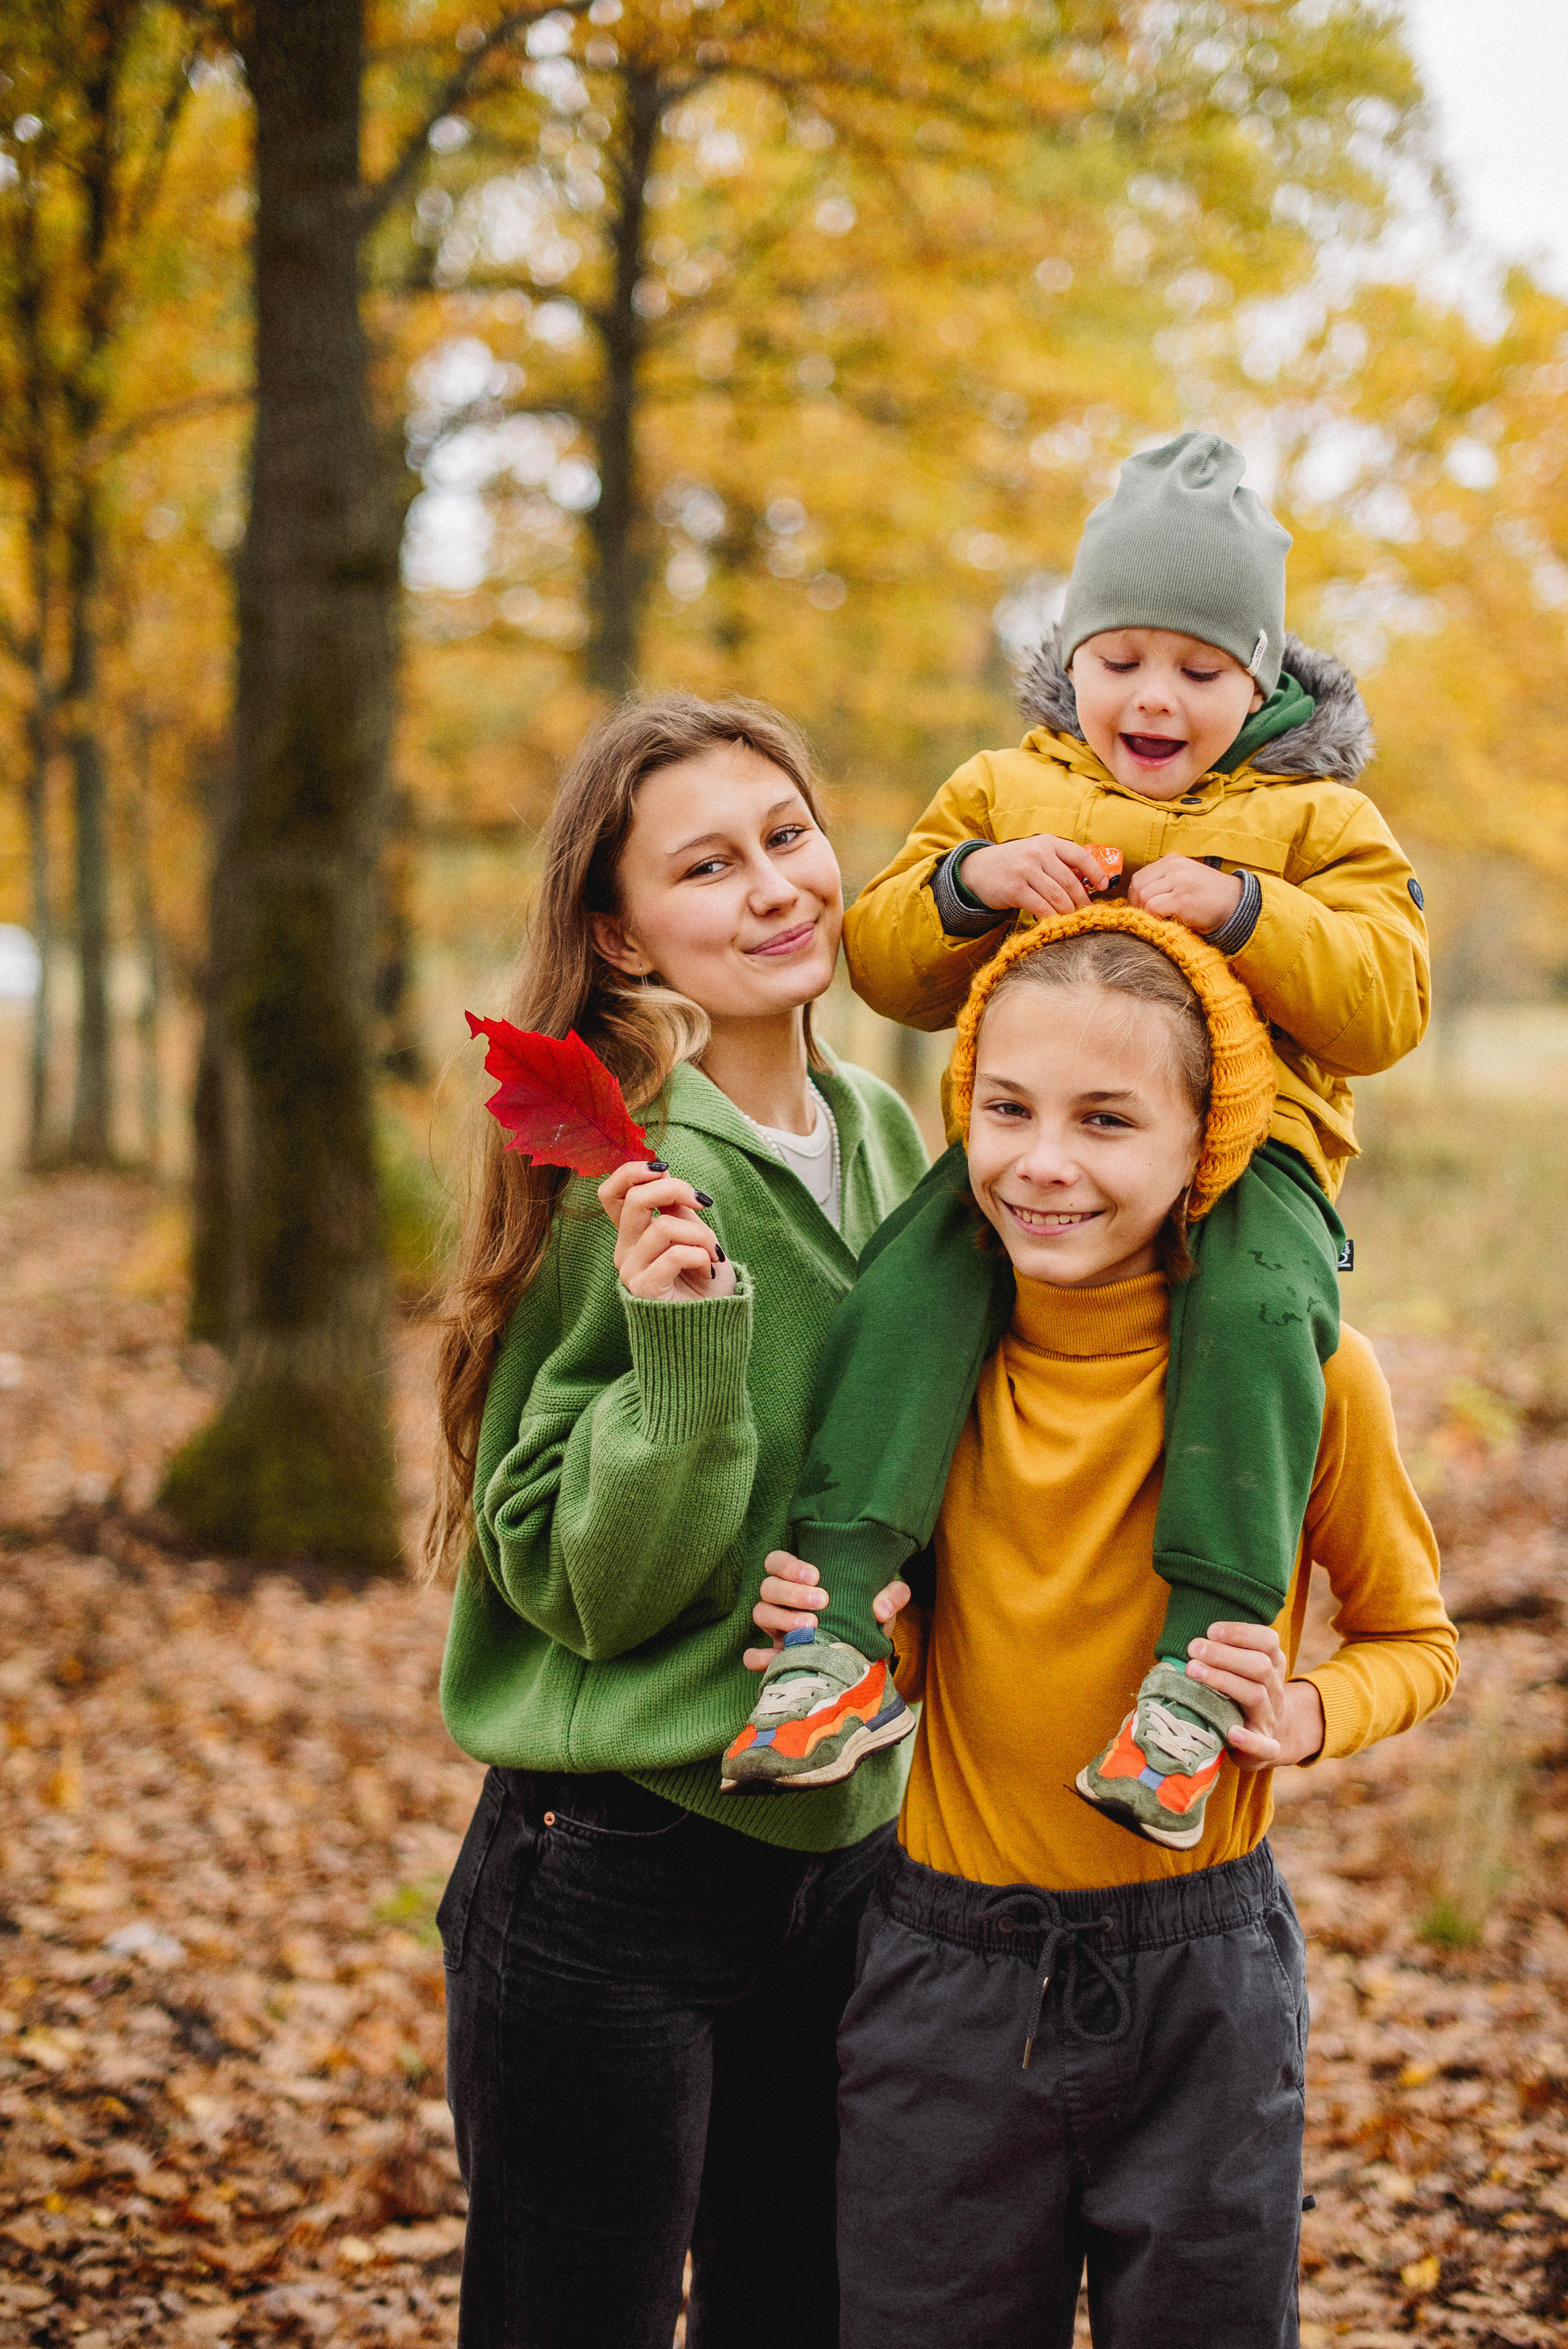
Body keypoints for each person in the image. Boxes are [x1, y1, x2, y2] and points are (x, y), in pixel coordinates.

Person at [723, 430, 1431, 1845]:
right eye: (1118, 660)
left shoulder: (1310, 819)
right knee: (909, 1288)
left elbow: (1386, 998)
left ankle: (1196, 1672)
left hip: (1258, 1154)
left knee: (1258, 1317)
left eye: (1196, 668)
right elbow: (881, 956)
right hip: (1030, 1141)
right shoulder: (1002, 789)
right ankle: (839, 1641)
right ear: (1071, 660)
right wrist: (976, 884)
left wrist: (1242, 910)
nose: (1151, 698)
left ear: (1259, 675)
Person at [775, 904, 1458, 2347]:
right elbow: (918, 1634)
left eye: (1105, 1121)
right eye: (1006, 1109)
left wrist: (1307, 1713)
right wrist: (843, 1634)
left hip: (1197, 1981)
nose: (1042, 1163)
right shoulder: (917, 1374)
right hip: (941, 1977)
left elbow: (1415, 1638)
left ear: (1201, 1144)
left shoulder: (1314, 1382)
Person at [428, 694, 927, 2349]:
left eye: (788, 836)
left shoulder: (888, 1136)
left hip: (843, 1861)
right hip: (619, 1862)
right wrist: (681, 1344)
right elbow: (588, 1584)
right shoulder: (623, 1182)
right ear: (625, 939)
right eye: (706, 866)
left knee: (798, 2313)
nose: (775, 886)